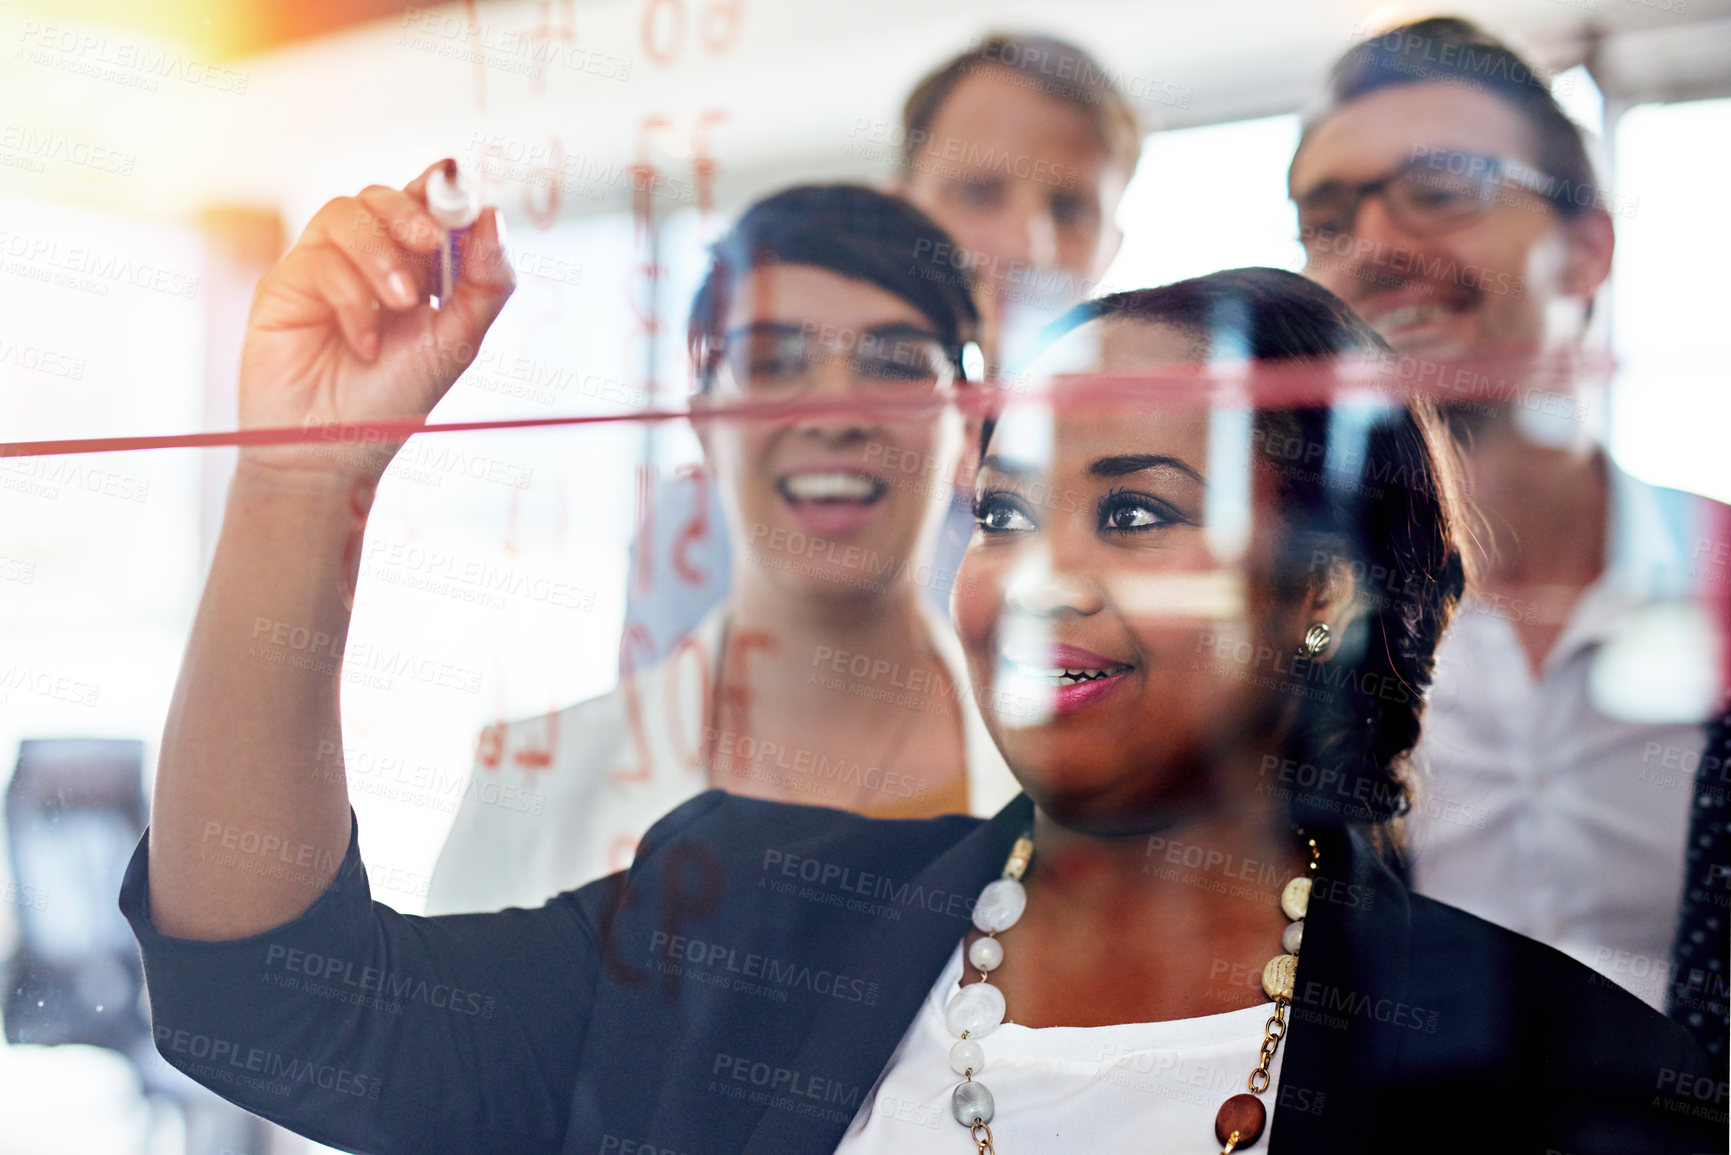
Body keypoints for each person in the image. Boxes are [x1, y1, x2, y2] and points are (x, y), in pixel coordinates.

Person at [119, 159, 1719, 1150]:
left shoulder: (1559, 1074)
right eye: (1009, 509)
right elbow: (268, 1002)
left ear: (1318, 592)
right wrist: (298, 483)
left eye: (1139, 514)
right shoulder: (733, 922)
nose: (1034, 579)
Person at [1287, 17, 1729, 1024]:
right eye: (1326, 219)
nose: (1380, 246)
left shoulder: (1722, 580)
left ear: (1585, 251)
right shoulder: (1292, 641)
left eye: (1441, 191)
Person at [427, 183, 1018, 912]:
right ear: (703, 418)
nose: (834, 413)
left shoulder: (1073, 781)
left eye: (894, 363)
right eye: (774, 361)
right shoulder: (527, 781)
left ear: (965, 425)